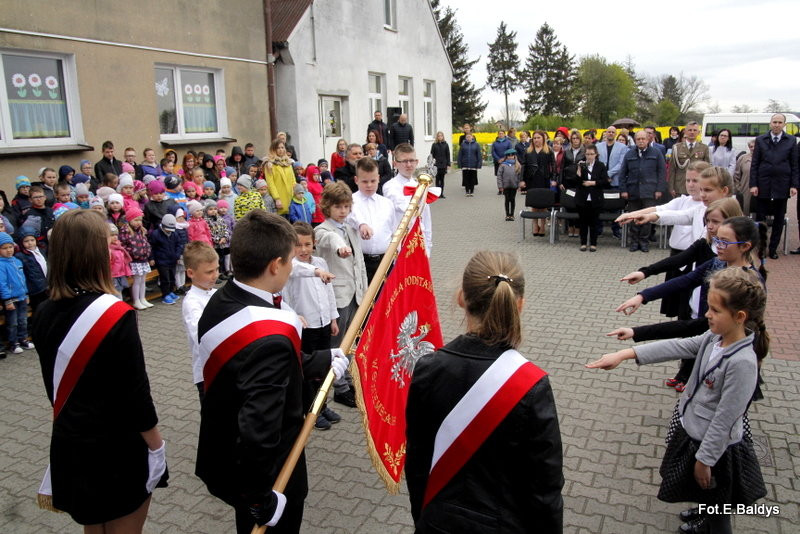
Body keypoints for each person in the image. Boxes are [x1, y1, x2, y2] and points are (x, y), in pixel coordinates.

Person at [195, 210, 347, 534]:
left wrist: (323, 359)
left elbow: (250, 368)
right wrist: (260, 499)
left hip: (230, 458)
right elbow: (259, 428)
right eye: (291, 260)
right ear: (275, 265)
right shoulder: (270, 335)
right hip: (269, 475)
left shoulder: (221, 301)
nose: (293, 267)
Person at [588, 267, 768, 534]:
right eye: (708, 307)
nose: (707, 314)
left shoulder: (742, 363)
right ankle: (703, 519)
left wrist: (705, 460)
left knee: (719, 514)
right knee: (707, 499)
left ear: (740, 317)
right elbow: (681, 346)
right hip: (695, 435)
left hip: (715, 450)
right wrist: (627, 354)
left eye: (715, 310)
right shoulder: (716, 337)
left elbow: (725, 419)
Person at [406, 251, 564, 533]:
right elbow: (544, 487)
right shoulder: (530, 384)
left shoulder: (428, 369)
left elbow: (418, 462)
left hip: (439, 522)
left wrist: (423, 517)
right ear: (520, 305)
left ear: (461, 299)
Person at [32, 210, 167, 532]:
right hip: (117, 447)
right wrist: (157, 445)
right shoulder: (114, 315)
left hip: (70, 443)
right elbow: (135, 393)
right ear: (95, 253)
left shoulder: (43, 312)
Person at [615, 197, 743, 392]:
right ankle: (687, 378)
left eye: (716, 223)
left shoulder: (742, 282)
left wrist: (635, 336)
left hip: (728, 360)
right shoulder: (716, 262)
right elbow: (685, 278)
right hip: (699, 318)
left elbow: (688, 332)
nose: (710, 227)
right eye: (707, 221)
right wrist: (643, 294)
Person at [283, 221, 341, 430]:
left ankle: (322, 404)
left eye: (308, 244)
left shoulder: (321, 262)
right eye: (298, 245)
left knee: (324, 367)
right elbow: (297, 276)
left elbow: (328, 292)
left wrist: (333, 318)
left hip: (323, 323)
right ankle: (310, 410)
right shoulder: (291, 266)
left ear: (314, 244)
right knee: (308, 371)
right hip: (305, 327)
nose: (304, 249)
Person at [315, 182, 368, 407]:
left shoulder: (350, 228)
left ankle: (345, 378)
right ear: (327, 207)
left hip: (356, 293)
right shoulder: (322, 230)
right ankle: (339, 386)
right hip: (338, 296)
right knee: (337, 342)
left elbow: (359, 263)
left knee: (350, 339)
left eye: (346, 206)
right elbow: (331, 241)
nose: (343, 211)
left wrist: (365, 291)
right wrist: (340, 248)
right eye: (338, 207)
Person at [749, 113, 798, 259]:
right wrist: (753, 184)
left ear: (784, 124)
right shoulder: (760, 140)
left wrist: (794, 185)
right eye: (774, 122)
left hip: (782, 185)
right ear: (770, 124)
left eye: (779, 122)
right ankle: (762, 247)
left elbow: (794, 164)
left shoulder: (791, 140)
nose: (776, 124)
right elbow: (755, 164)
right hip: (763, 184)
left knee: (778, 219)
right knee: (761, 218)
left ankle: (773, 248)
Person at [181, 241, 219, 401]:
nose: (216, 275)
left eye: (217, 269)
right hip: (207, 372)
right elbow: (201, 336)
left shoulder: (215, 293)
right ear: (191, 273)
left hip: (222, 367)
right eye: (209, 272)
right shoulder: (192, 303)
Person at [619, 131, 667, 252]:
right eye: (638, 139)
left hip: (649, 191)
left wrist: (659, 189)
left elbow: (662, 172)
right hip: (633, 191)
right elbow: (622, 173)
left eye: (643, 139)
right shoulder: (629, 154)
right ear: (635, 140)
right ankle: (634, 242)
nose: (640, 141)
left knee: (646, 219)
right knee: (633, 217)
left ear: (648, 140)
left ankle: (644, 242)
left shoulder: (656, 153)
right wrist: (623, 190)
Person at [349, 157, 396, 283]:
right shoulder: (349, 202)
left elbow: (393, 232)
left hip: (385, 261)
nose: (369, 185)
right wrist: (362, 225)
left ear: (379, 179)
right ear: (356, 180)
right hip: (360, 261)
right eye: (364, 181)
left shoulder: (387, 203)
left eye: (373, 181)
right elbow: (353, 216)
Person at [384, 143, 434, 252]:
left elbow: (426, 219)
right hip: (399, 245)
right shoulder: (390, 186)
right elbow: (401, 205)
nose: (409, 164)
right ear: (395, 164)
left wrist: (428, 247)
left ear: (417, 162)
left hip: (420, 244)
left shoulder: (421, 185)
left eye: (412, 160)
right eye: (404, 161)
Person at [564, 144, 611, 251]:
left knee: (594, 222)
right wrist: (579, 171)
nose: (589, 156)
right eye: (587, 154)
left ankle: (593, 243)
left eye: (591, 154)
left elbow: (605, 181)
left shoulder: (601, 165)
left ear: (596, 155)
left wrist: (593, 183)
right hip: (582, 197)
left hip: (595, 197)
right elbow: (576, 182)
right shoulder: (582, 165)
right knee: (583, 222)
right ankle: (583, 242)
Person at [0, 231, 33, 354]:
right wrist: (7, 300)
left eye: (10, 247)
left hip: (22, 296)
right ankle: (13, 343)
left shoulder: (17, 261)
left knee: (22, 320)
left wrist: (26, 293)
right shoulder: (1, 265)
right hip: (11, 299)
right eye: (4, 248)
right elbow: (2, 284)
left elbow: (22, 279)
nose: (9, 250)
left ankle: (23, 338)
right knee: (12, 322)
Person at [520, 131, 555, 237]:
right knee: (534, 204)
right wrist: (522, 180)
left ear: (543, 139)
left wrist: (553, 179)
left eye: (538, 138)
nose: (536, 140)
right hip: (531, 179)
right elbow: (523, 166)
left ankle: (543, 226)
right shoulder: (528, 151)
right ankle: (535, 225)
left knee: (543, 204)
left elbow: (553, 166)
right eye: (534, 138)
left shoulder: (548, 150)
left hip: (544, 179)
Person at [120, 206, 154, 310]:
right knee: (137, 281)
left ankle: (142, 298)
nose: (138, 222)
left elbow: (146, 243)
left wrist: (147, 253)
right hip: (134, 261)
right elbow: (123, 246)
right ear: (130, 219)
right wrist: (130, 255)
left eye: (140, 220)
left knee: (143, 280)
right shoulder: (125, 231)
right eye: (136, 220)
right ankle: (136, 300)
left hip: (143, 259)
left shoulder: (141, 231)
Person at [669, 121, 711, 197]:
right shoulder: (676, 147)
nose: (692, 132)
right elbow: (672, 169)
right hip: (680, 187)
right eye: (690, 130)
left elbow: (707, 170)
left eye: (695, 130)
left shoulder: (704, 148)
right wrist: (671, 187)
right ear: (685, 132)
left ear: (699, 132)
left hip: (698, 186)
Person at [149, 213, 183, 305]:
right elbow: (151, 247)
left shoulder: (174, 234)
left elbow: (179, 245)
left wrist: (177, 255)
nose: (169, 231)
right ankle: (165, 295)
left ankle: (170, 291)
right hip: (161, 261)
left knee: (172, 277)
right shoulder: (156, 234)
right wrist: (152, 258)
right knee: (165, 279)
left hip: (172, 260)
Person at [15, 227, 48, 318]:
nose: (30, 243)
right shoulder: (20, 256)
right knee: (38, 310)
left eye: (32, 240)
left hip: (46, 285)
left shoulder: (41, 249)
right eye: (26, 241)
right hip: (34, 289)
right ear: (21, 243)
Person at [265, 140, 297, 217]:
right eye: (278, 148)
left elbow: (293, 180)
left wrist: (295, 194)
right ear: (273, 149)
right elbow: (270, 183)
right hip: (279, 200)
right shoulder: (270, 164)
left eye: (282, 147)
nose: (281, 150)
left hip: (290, 198)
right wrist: (277, 199)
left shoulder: (288, 163)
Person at [107, 223, 132, 297]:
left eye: (116, 235)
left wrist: (127, 272)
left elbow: (124, 262)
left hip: (120, 275)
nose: (115, 237)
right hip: (112, 276)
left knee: (119, 292)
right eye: (112, 235)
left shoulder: (119, 247)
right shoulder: (108, 249)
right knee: (113, 294)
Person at [733, 139, 755, 216]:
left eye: (755, 146)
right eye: (751, 147)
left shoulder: (764, 158)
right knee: (745, 208)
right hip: (745, 187)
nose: (753, 148)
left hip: (760, 188)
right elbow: (736, 174)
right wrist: (738, 187)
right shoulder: (742, 158)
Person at [497, 149, 520, 221]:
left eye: (512, 156)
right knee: (507, 200)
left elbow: (519, 176)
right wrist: (500, 186)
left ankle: (512, 215)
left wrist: (519, 185)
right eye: (509, 156)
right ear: (506, 157)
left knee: (512, 199)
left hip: (514, 186)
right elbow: (499, 176)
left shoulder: (517, 165)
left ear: (514, 156)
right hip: (505, 186)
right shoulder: (503, 165)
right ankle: (507, 215)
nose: (510, 157)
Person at [457, 133, 481, 197]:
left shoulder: (476, 144)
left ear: (472, 137)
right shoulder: (463, 145)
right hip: (465, 164)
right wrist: (459, 164)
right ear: (465, 138)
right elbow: (460, 155)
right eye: (467, 137)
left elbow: (479, 155)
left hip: (473, 164)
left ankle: (472, 191)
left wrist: (479, 164)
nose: (468, 138)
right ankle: (467, 191)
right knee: (466, 179)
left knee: (472, 179)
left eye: (469, 137)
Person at [429, 131, 450, 198]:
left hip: (443, 164)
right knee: (437, 179)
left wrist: (448, 164)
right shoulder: (434, 145)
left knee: (442, 179)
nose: (440, 137)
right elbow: (431, 155)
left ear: (443, 137)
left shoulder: (446, 144)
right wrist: (431, 164)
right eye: (438, 136)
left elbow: (448, 154)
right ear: (437, 137)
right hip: (436, 164)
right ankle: (437, 194)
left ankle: (441, 193)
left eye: (441, 136)